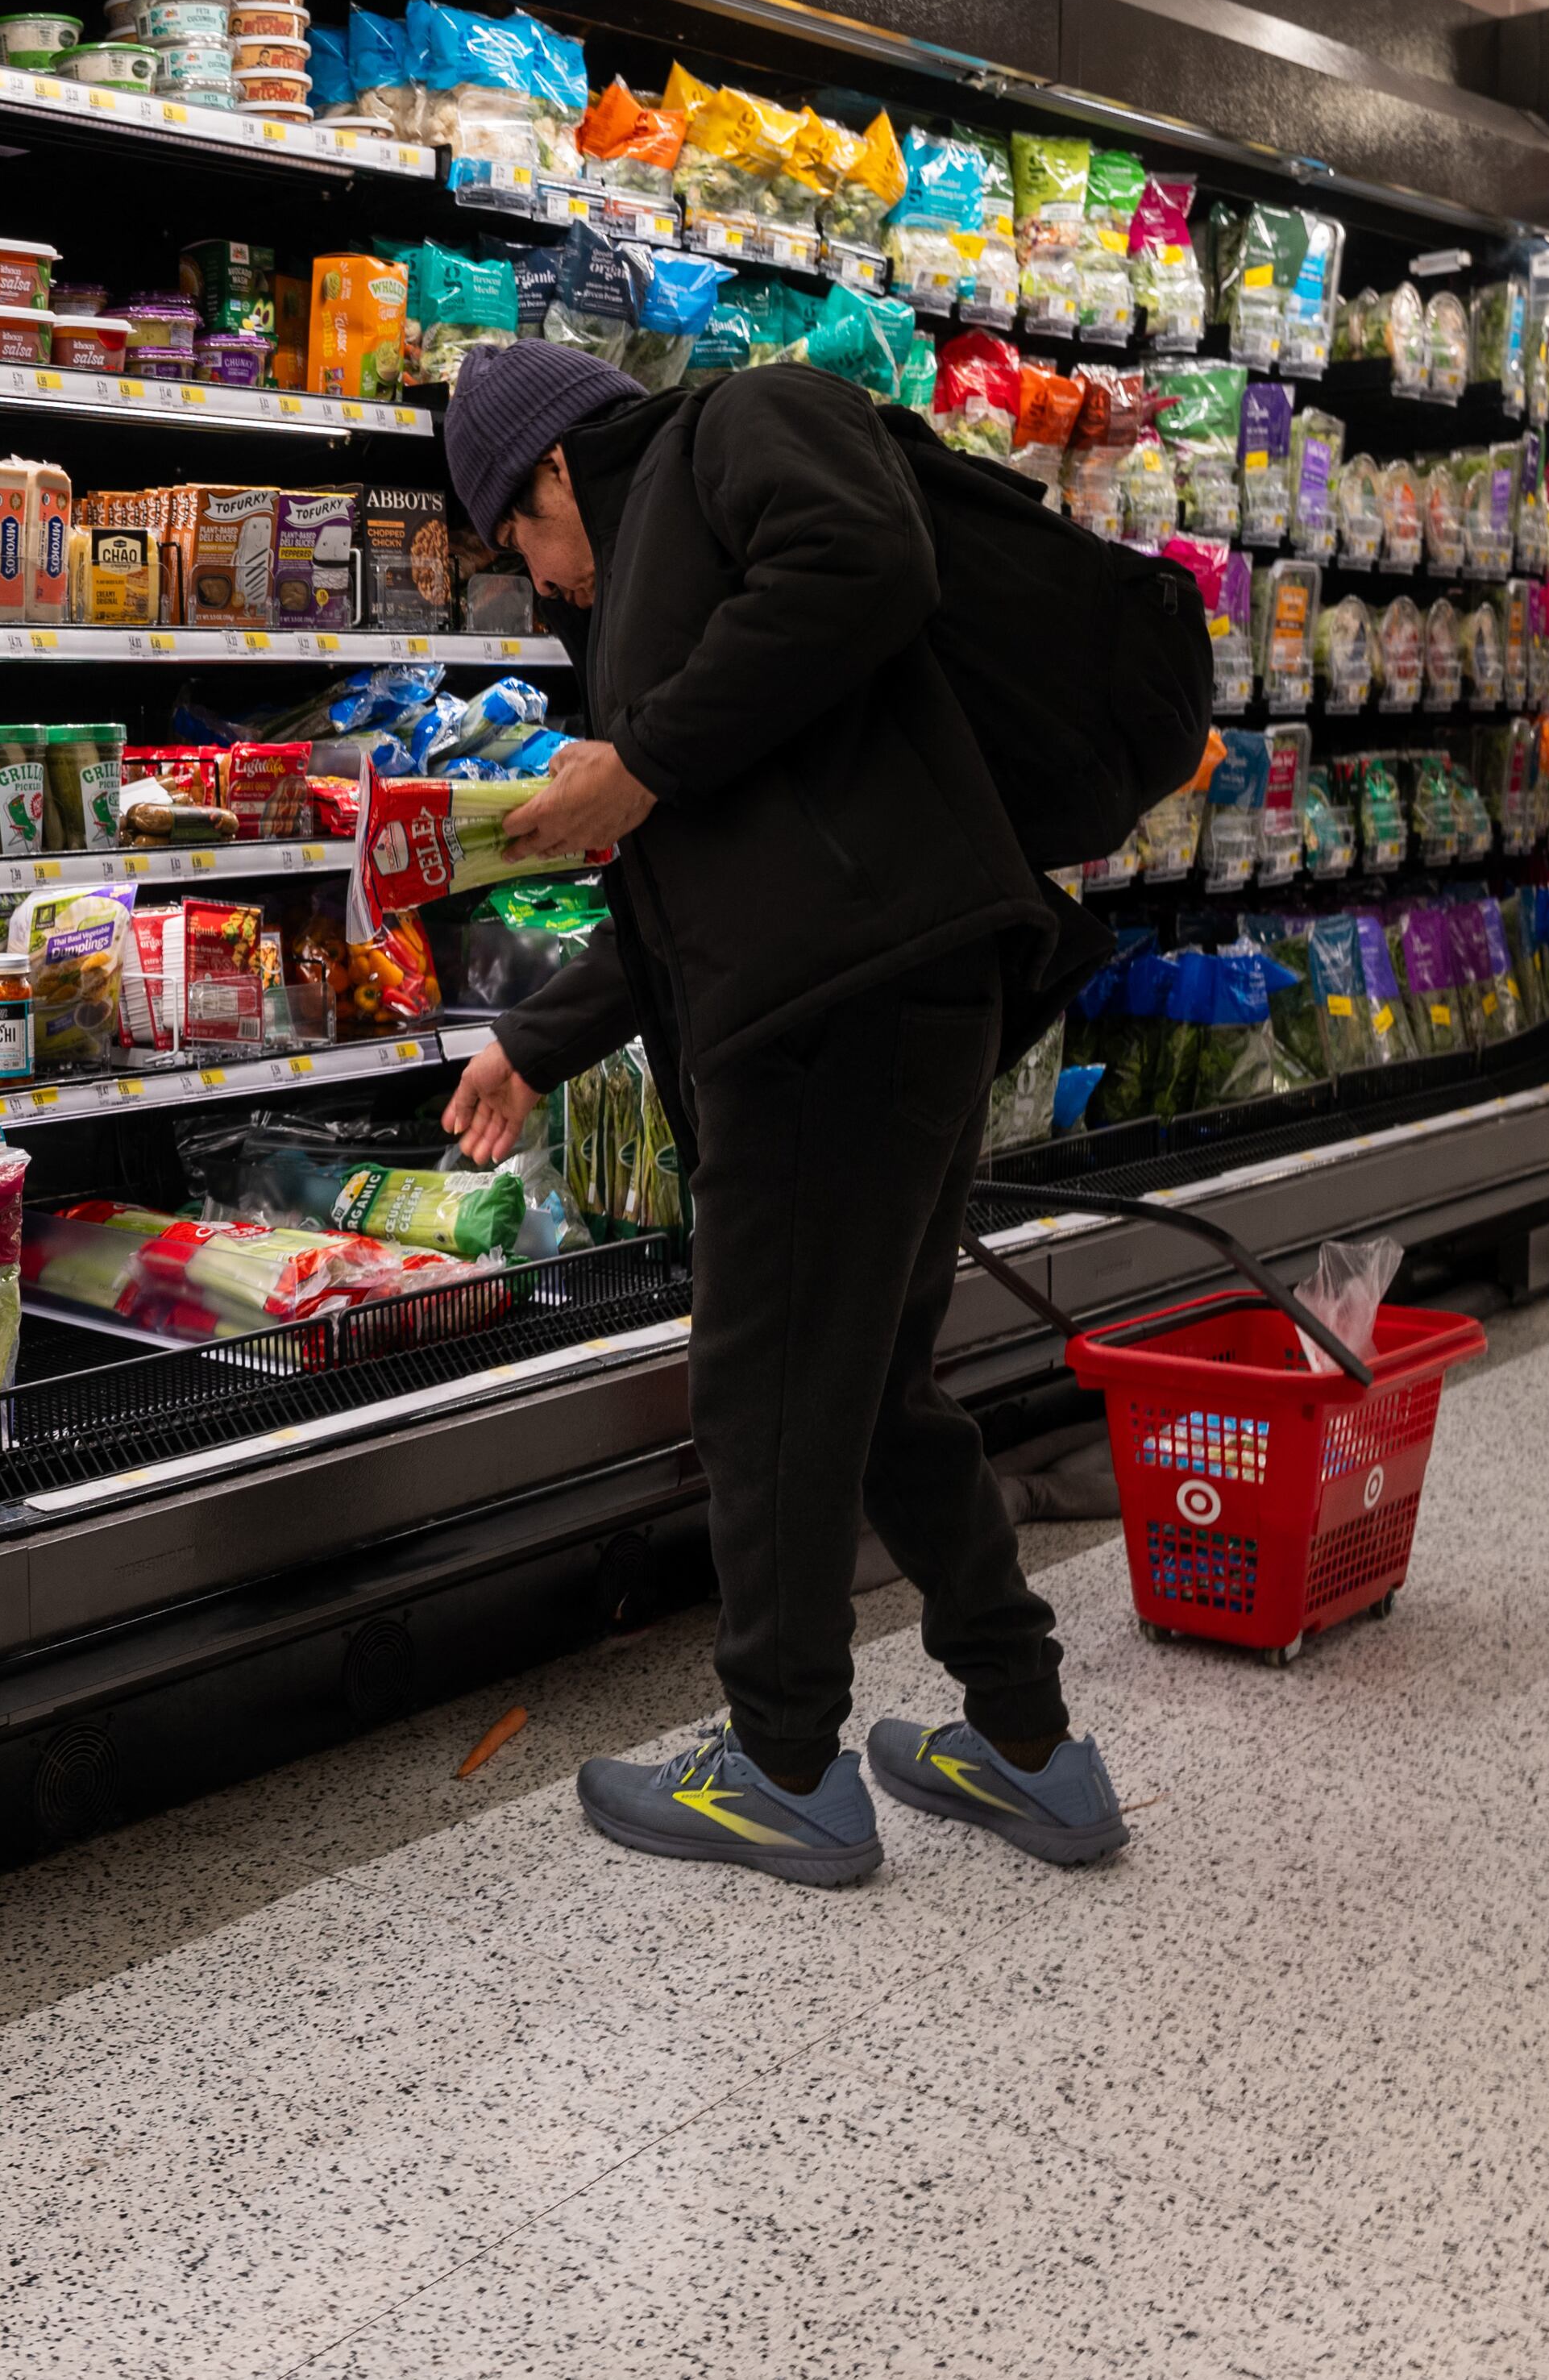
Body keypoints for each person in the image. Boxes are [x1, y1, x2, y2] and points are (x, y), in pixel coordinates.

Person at [438, 339, 1127, 1885]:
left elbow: (868, 558)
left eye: (519, 537)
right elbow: (694, 879)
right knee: (868, 1390)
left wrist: (640, 761)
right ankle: (1031, 1744)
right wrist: (536, 1045)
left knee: (759, 1391)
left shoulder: (742, 421)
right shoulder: (649, 605)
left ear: (555, 467)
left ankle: (785, 1763)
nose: (538, 580)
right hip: (865, 994)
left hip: (841, 1010)